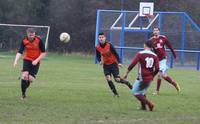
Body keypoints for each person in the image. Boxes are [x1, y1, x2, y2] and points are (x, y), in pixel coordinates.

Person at [124, 41, 159, 111]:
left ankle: (150, 104)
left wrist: (127, 73)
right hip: (149, 78)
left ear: (145, 45)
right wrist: (153, 75)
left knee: (135, 92)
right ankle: (143, 107)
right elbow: (157, 68)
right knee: (142, 92)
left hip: (142, 77)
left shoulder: (140, 53)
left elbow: (133, 64)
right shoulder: (155, 55)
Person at [13, 28, 46, 100]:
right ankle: (23, 95)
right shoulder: (24, 40)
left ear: (35, 34)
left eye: (33, 35)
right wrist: (15, 61)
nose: (32, 36)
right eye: (30, 35)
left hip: (36, 61)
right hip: (27, 59)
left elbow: (43, 53)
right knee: (25, 76)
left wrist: (37, 60)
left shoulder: (39, 40)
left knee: (30, 79)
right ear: (27, 34)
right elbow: (20, 52)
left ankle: (25, 83)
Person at [96, 32, 132, 97]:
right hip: (106, 65)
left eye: (102, 37)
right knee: (108, 78)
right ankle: (115, 94)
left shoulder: (109, 45)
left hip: (113, 64)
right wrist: (100, 61)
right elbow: (98, 55)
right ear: (98, 38)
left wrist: (119, 62)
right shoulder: (97, 47)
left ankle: (127, 83)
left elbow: (115, 54)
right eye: (100, 37)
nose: (101, 39)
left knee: (117, 80)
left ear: (105, 38)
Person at [150, 27, 180, 95]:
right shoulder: (151, 40)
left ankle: (157, 91)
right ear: (153, 32)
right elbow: (150, 50)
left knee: (159, 74)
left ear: (159, 31)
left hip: (163, 59)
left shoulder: (163, 38)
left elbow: (170, 46)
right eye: (154, 30)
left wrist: (175, 55)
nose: (155, 31)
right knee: (164, 75)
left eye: (157, 30)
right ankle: (175, 84)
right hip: (157, 60)